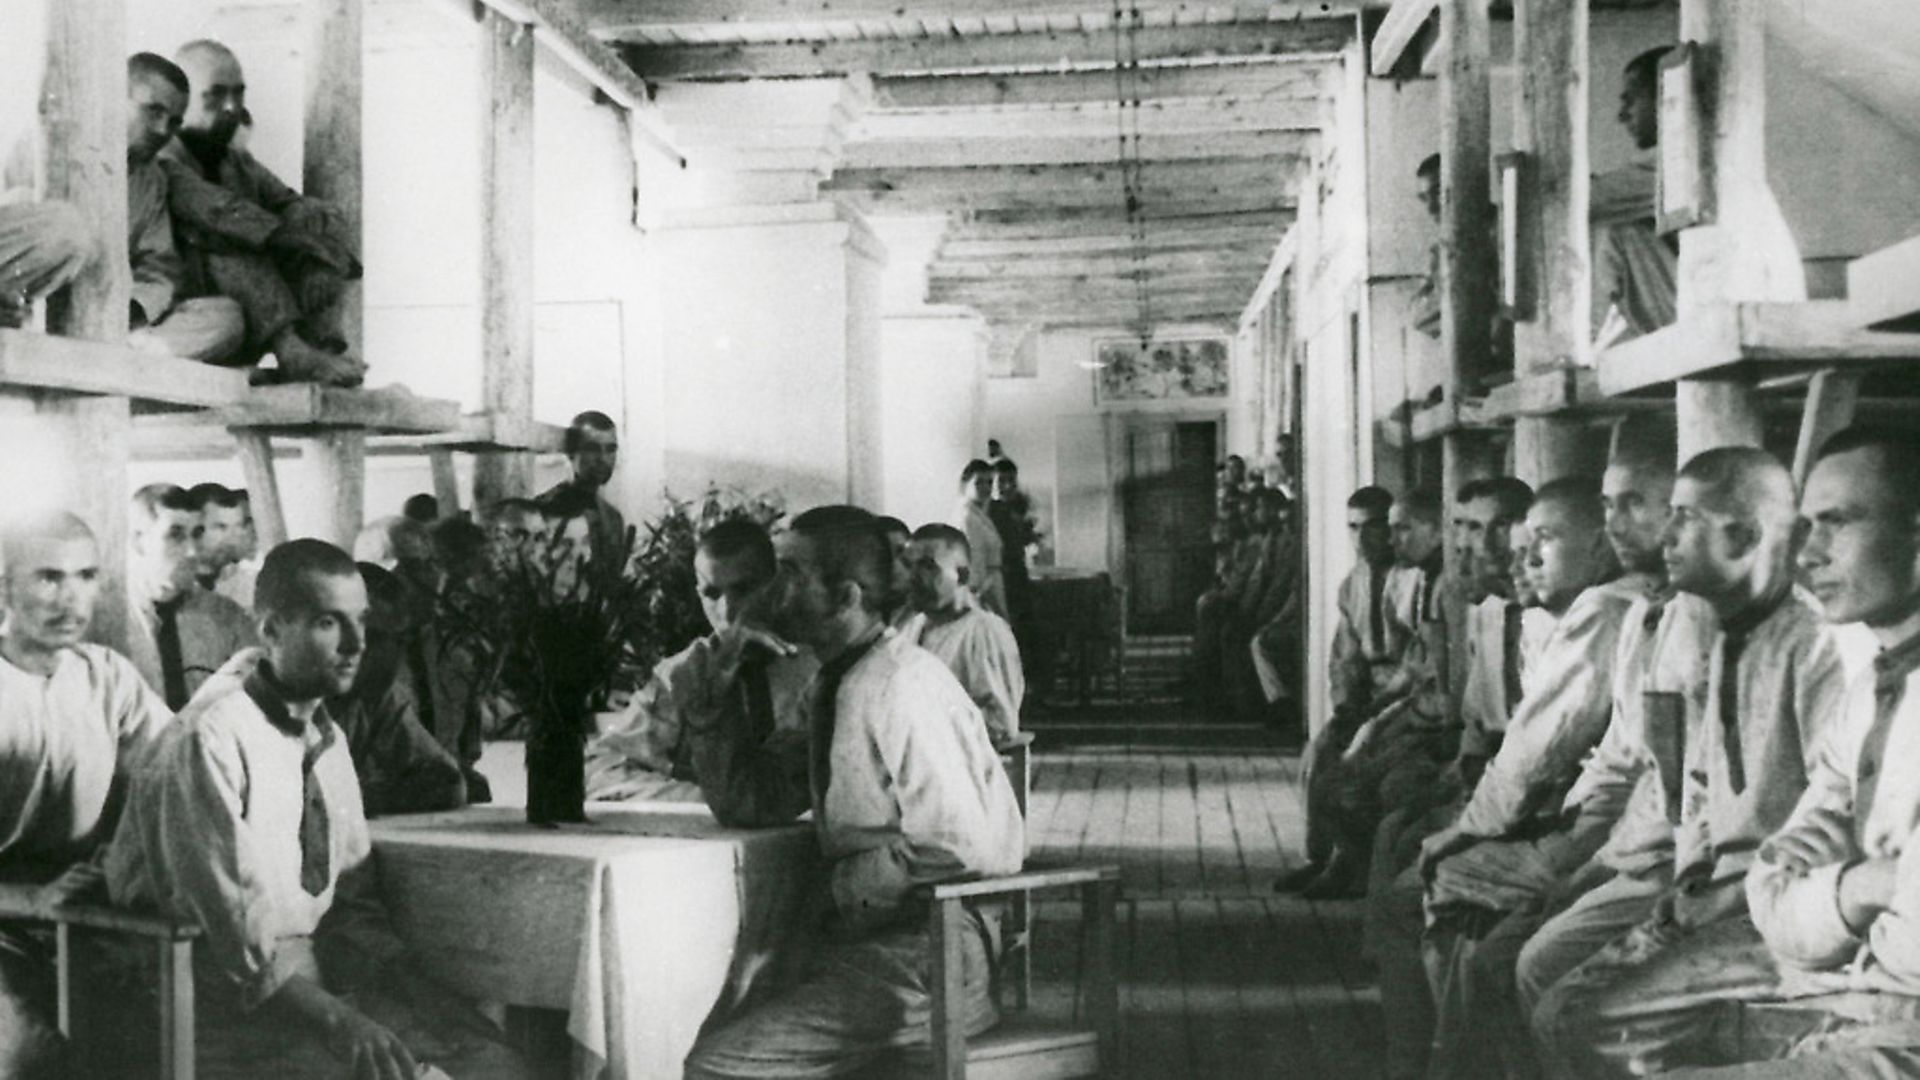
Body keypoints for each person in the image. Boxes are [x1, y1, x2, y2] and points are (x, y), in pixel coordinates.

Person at [1532, 429, 1918, 1079]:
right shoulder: (1868, 688)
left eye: (1839, 522)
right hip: (1837, 955)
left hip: (1882, 988)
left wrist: (1840, 888)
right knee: (1576, 1018)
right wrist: (1858, 886)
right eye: (1806, 526)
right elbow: (1779, 881)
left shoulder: (1826, 648)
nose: (1808, 552)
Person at [103, 539, 528, 1079]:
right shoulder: (210, 738)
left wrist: (423, 1001)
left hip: (309, 986)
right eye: (329, 623)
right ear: (271, 629)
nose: (356, 644)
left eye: (362, 622)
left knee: (495, 1061)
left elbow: (352, 903)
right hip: (206, 1002)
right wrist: (345, 1022)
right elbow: (236, 937)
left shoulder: (323, 737)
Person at [681, 506, 1023, 1079]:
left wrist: (832, 890)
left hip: (928, 958)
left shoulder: (900, 685)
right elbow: (754, 800)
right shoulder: (837, 681)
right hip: (870, 951)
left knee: (715, 1065)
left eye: (788, 573)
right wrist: (710, 709)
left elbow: (955, 844)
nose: (771, 589)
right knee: (690, 1023)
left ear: (843, 597)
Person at [0, 511, 171, 1079]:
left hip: (75, 912)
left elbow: (175, 771)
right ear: (3, 585)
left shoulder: (107, 677)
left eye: (85, 576)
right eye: (49, 577)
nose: (70, 599)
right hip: (12, 914)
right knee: (29, 1053)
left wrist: (118, 865)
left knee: (154, 1040)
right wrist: (34, 900)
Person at [159, 41, 365, 386]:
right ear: (181, 100)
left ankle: (321, 348)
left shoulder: (235, 160)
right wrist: (296, 240)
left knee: (315, 220)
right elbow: (217, 211)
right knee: (233, 240)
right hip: (187, 318)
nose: (231, 107)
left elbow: (294, 205)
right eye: (215, 94)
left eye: (239, 93)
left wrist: (315, 255)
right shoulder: (161, 157)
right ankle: (291, 353)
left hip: (246, 316)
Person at [586, 519, 818, 803]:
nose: (728, 611)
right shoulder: (680, 673)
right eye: (712, 594)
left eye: (743, 590)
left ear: (777, 586)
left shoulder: (816, 669)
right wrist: (702, 800)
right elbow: (600, 768)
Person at [1277, 485, 1407, 894]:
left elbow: (1421, 666)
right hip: (1368, 698)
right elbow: (1344, 659)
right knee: (1318, 753)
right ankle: (1319, 858)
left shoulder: (1413, 578)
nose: (1363, 538)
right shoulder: (1352, 584)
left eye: (1374, 527)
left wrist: (1375, 711)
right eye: (1353, 528)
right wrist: (1346, 706)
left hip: (1404, 699)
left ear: (1391, 529)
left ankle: (1347, 866)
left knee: (1354, 765)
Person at [124, 53, 245, 363]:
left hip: (123, 320)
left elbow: (159, 269)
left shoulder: (150, 179)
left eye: (175, 121)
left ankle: (136, 355)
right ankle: (138, 359)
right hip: (50, 315)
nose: (163, 129)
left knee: (227, 317)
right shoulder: (44, 152)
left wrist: (137, 308)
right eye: (153, 111)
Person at [331, 563, 466, 816]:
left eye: (401, 640)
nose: (392, 655)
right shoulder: (270, 698)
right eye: (377, 639)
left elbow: (449, 781)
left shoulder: (380, 698)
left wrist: (356, 796)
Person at [125, 483, 257, 709]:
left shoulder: (228, 618)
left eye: (196, 534)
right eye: (175, 535)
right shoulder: (113, 618)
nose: (192, 551)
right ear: (138, 541)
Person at [901, 523, 1026, 746]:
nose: (913, 577)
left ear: (962, 575)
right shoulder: (911, 628)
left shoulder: (984, 632)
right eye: (909, 566)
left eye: (928, 567)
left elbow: (1000, 723)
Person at [1591, 46, 1679, 349]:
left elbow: (1581, 202)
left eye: (1631, 99)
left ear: (1668, 98)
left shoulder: (1677, 160)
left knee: (1617, 226)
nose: (1621, 115)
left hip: (1710, 325)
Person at [538, 410, 627, 569]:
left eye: (610, 449)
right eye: (592, 449)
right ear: (571, 453)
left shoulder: (613, 519)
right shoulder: (544, 511)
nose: (603, 459)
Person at [952, 459, 1009, 619]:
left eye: (989, 483)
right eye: (979, 483)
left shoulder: (979, 515)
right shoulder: (967, 517)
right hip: (983, 588)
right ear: (965, 484)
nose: (986, 488)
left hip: (991, 581)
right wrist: (982, 596)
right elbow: (974, 562)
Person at [189, 481, 260, 608]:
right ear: (193, 529)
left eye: (238, 526)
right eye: (221, 527)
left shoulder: (252, 587)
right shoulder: (168, 584)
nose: (231, 538)